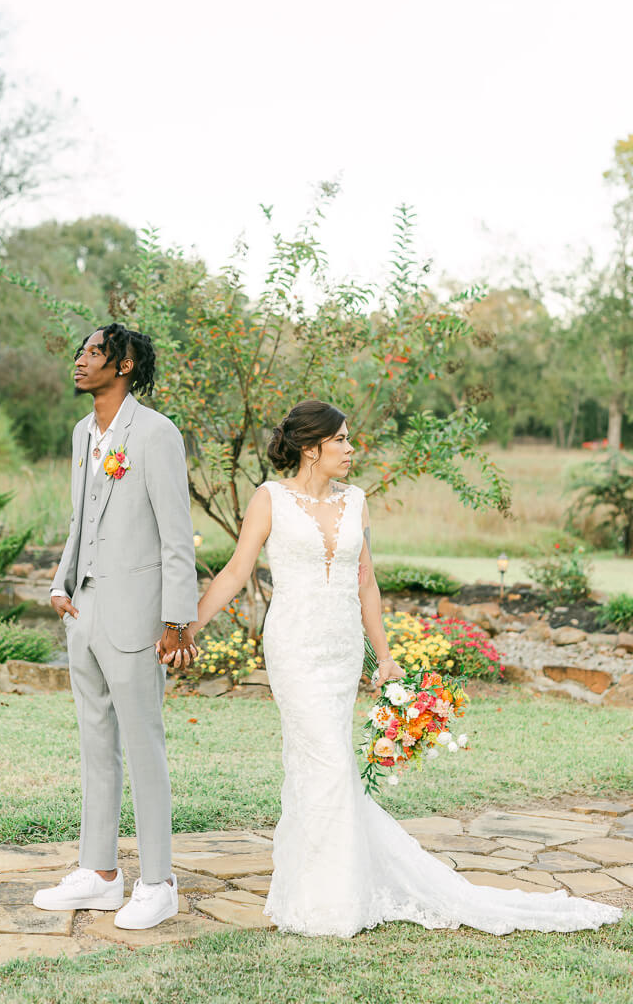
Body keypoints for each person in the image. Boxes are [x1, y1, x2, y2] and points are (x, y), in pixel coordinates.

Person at [174, 399, 623, 938]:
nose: (351, 449)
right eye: (341, 440)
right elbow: (236, 569)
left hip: (341, 651)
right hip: (292, 645)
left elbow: (366, 581)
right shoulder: (269, 498)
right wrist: (188, 627)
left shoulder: (356, 501)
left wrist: (383, 655)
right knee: (326, 760)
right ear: (311, 448)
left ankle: (325, 886)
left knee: (325, 763)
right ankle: (325, 896)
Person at [32, 323, 198, 931]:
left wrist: (177, 622)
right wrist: (60, 582)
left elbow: (177, 536)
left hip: (137, 617)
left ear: (124, 365)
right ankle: (99, 874)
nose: (79, 361)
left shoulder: (156, 434)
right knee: (94, 743)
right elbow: (82, 517)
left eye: (94, 352)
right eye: (79, 351)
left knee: (144, 747)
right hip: (85, 609)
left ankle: (159, 881)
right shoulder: (83, 433)